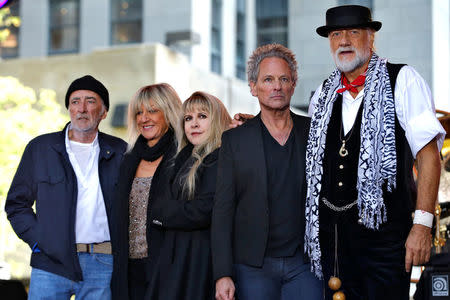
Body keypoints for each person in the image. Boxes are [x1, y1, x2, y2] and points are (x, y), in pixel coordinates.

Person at [305, 5, 446, 300]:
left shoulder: (403, 80)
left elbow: (429, 154)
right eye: (335, 34)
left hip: (386, 237)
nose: (343, 41)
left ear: (371, 37)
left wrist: (422, 226)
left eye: (353, 32)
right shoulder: (322, 94)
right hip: (335, 240)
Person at [211, 44, 323, 300]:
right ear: (253, 87)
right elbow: (222, 210)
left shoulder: (315, 132)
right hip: (253, 266)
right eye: (268, 79)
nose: (277, 86)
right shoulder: (235, 140)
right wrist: (222, 274)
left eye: (284, 79)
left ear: (293, 84)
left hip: (305, 265)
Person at [5, 75, 127, 299]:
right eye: (75, 101)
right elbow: (16, 204)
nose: (81, 108)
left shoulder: (120, 151)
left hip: (103, 263)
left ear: (104, 111)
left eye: (90, 101)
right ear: (69, 108)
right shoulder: (41, 148)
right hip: (50, 263)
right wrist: (39, 240)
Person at [148, 91, 232, 300]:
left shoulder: (219, 158)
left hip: (200, 260)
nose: (194, 124)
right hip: (179, 258)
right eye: (188, 118)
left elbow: (205, 209)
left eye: (202, 116)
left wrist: (162, 214)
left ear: (218, 120)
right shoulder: (184, 158)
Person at [110, 83, 183, 300]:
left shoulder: (183, 157)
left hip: (167, 268)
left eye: (152, 111)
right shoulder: (128, 160)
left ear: (168, 113)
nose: (144, 118)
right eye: (139, 112)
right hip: (127, 269)